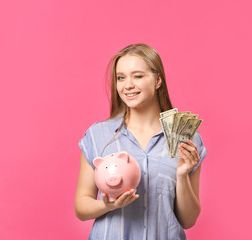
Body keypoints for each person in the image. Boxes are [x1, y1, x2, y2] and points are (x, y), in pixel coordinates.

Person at [75, 43, 208, 240]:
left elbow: (188, 220)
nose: (127, 85)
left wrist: (182, 175)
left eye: (138, 76)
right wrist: (108, 205)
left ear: (158, 80)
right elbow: (81, 206)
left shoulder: (184, 137)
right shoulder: (98, 135)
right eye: (121, 78)